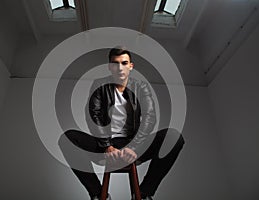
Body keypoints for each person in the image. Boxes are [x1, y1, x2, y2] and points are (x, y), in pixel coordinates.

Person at [59, 46, 185, 200]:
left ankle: (144, 194)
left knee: (173, 137)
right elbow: (93, 114)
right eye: (115, 63)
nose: (120, 68)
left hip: (134, 144)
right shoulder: (99, 85)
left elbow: (149, 116)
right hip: (104, 144)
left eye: (124, 63)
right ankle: (98, 194)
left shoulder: (141, 87)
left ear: (131, 66)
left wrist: (134, 147)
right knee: (68, 138)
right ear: (110, 66)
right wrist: (107, 146)